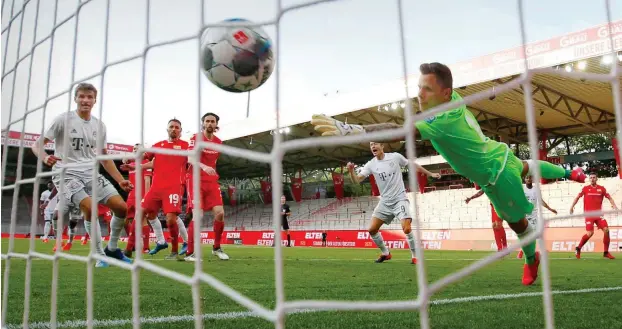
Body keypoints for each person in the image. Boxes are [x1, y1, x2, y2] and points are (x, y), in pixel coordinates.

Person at [311, 62, 586, 285]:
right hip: (497, 153)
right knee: (526, 165)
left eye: (427, 89)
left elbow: (396, 134)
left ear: (444, 93)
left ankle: (530, 258)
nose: (420, 94)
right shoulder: (452, 100)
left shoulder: (438, 121)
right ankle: (568, 172)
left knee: (517, 223)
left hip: (495, 175)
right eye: (420, 87)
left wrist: (355, 131)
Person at [31, 83, 133, 267]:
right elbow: (36, 145)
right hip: (66, 174)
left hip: (90, 174)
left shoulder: (99, 125)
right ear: (75, 98)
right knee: (89, 207)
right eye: (82, 96)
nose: (85, 100)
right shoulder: (62, 120)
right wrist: (45, 157)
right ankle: (98, 254)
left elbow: (104, 157)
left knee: (121, 208)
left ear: (95, 100)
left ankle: (111, 249)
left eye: (89, 97)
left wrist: (120, 180)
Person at [346, 141, 441, 264]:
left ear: (382, 146)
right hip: (385, 202)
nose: (373, 146)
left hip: (399, 199)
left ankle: (415, 256)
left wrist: (430, 173)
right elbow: (357, 180)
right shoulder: (371, 164)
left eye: (375, 144)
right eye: (371, 145)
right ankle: (386, 253)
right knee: (372, 230)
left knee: (406, 228)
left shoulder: (395, 157)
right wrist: (351, 171)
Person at [139, 119, 188, 260]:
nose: (174, 129)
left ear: (180, 130)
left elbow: (193, 160)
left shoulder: (186, 146)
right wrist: (130, 159)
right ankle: (161, 241)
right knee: (147, 213)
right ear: (167, 129)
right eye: (171, 127)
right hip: (157, 187)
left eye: (176, 127)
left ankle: (175, 249)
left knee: (171, 218)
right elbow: (147, 158)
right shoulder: (158, 146)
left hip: (175, 186)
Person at [184, 112, 229, 261]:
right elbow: (190, 159)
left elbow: (214, 162)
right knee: (199, 214)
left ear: (216, 125)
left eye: (213, 121)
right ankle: (190, 253)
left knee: (220, 213)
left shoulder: (218, 142)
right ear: (203, 123)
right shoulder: (195, 138)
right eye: (207, 121)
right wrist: (203, 167)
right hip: (195, 179)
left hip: (211, 181)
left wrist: (212, 172)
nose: (210, 123)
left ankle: (216, 248)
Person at [570, 172, 617, 259]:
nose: (592, 179)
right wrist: (572, 207)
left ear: (597, 178)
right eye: (591, 177)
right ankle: (578, 248)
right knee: (590, 233)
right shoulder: (585, 188)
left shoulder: (601, 189)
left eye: (594, 177)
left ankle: (606, 252)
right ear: (589, 179)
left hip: (599, 215)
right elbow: (577, 197)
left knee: (606, 230)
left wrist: (614, 206)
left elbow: (609, 197)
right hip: (589, 215)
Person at [121, 143, 153, 257]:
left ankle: (146, 247)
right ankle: (134, 244)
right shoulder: (131, 163)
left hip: (141, 195)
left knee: (142, 220)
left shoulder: (146, 163)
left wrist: (147, 197)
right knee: (126, 220)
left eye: (137, 149)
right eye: (133, 149)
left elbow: (147, 181)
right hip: (131, 196)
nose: (135, 150)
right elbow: (124, 161)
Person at [516, 175, 557, 258]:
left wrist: (550, 208)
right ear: (525, 179)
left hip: (534, 215)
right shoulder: (522, 189)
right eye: (527, 178)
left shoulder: (536, 190)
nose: (528, 179)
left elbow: (540, 201)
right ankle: (522, 251)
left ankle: (541, 251)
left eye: (530, 178)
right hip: (525, 216)